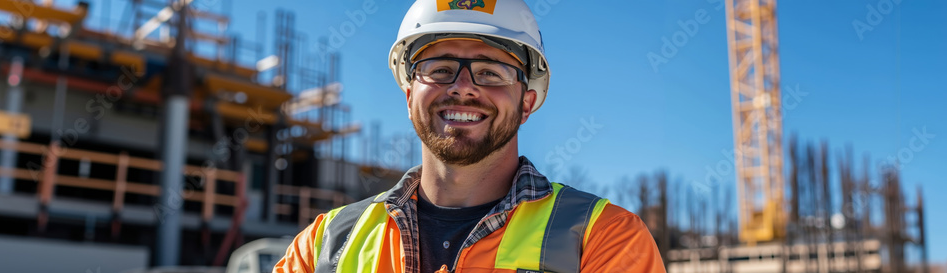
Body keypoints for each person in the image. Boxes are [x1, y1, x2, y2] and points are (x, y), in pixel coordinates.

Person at [274, 0, 665, 272]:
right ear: (410, 96)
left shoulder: (604, 239)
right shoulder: (324, 245)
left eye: (490, 72)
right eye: (440, 68)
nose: (462, 87)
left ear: (527, 104)